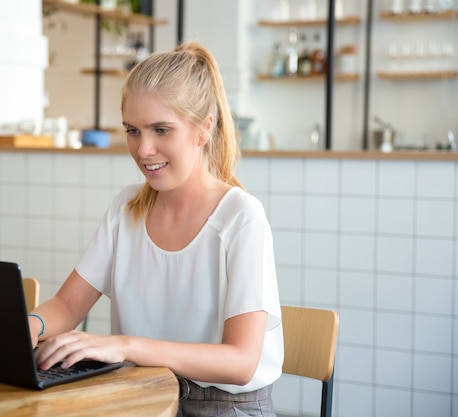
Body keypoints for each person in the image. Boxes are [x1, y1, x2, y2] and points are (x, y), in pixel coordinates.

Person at [27, 41, 283, 417]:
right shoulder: (126, 209)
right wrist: (26, 327)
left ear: (204, 129)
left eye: (161, 130)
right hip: (139, 392)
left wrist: (124, 346)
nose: (143, 149)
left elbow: (241, 362)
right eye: (133, 130)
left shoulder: (242, 218)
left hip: (225, 407)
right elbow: (67, 305)